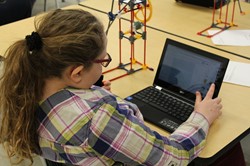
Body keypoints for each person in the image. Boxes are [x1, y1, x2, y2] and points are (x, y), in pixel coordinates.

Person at [0, 9, 223, 165]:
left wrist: (90, 93)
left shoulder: (22, 85)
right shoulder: (98, 119)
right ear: (76, 73)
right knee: (226, 155)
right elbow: (175, 156)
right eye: (103, 61)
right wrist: (201, 117)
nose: (105, 66)